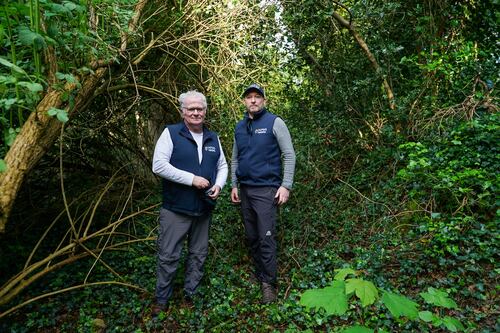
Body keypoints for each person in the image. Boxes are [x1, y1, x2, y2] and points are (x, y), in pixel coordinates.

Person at [152, 90, 228, 314]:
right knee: (168, 256)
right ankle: (162, 299)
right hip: (176, 208)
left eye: (200, 108)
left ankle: (190, 294)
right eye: (191, 109)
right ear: (183, 111)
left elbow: (222, 166)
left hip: (203, 208)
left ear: (205, 111)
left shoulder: (213, 137)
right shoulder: (171, 133)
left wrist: (219, 185)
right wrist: (191, 179)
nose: (196, 112)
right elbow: (159, 165)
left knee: (198, 254)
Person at [230, 83, 296, 304]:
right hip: (245, 190)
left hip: (267, 189)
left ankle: (269, 284)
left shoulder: (274, 122)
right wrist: (233, 185)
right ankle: (260, 272)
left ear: (264, 100)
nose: (253, 100)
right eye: (249, 97)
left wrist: (285, 185)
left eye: (257, 97)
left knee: (266, 237)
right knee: (251, 236)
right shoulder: (239, 127)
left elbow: (289, 154)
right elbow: (235, 159)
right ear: (244, 101)